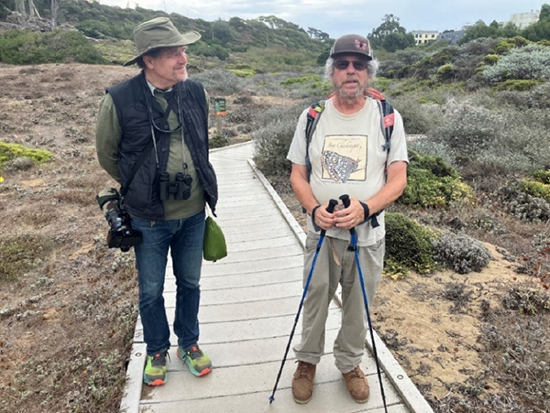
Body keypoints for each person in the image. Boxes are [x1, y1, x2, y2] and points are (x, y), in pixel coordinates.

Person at [286, 34, 408, 404]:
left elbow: (398, 178)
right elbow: (297, 174)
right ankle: (306, 362)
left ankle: (349, 362)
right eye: (343, 64)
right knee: (316, 298)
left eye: (358, 64)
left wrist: (366, 208)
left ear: (368, 71)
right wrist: (313, 209)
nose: (350, 71)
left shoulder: (387, 117)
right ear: (332, 72)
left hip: (367, 235)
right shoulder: (312, 117)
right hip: (321, 234)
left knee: (359, 305)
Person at [95, 17, 217, 386]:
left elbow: (201, 142)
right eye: (174, 53)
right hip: (148, 216)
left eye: (183, 50)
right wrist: (143, 184)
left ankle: (189, 343)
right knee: (150, 290)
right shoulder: (118, 99)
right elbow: (107, 155)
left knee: (190, 283)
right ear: (149, 60)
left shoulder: (195, 91)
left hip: (194, 212)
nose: (184, 58)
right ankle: (156, 349)